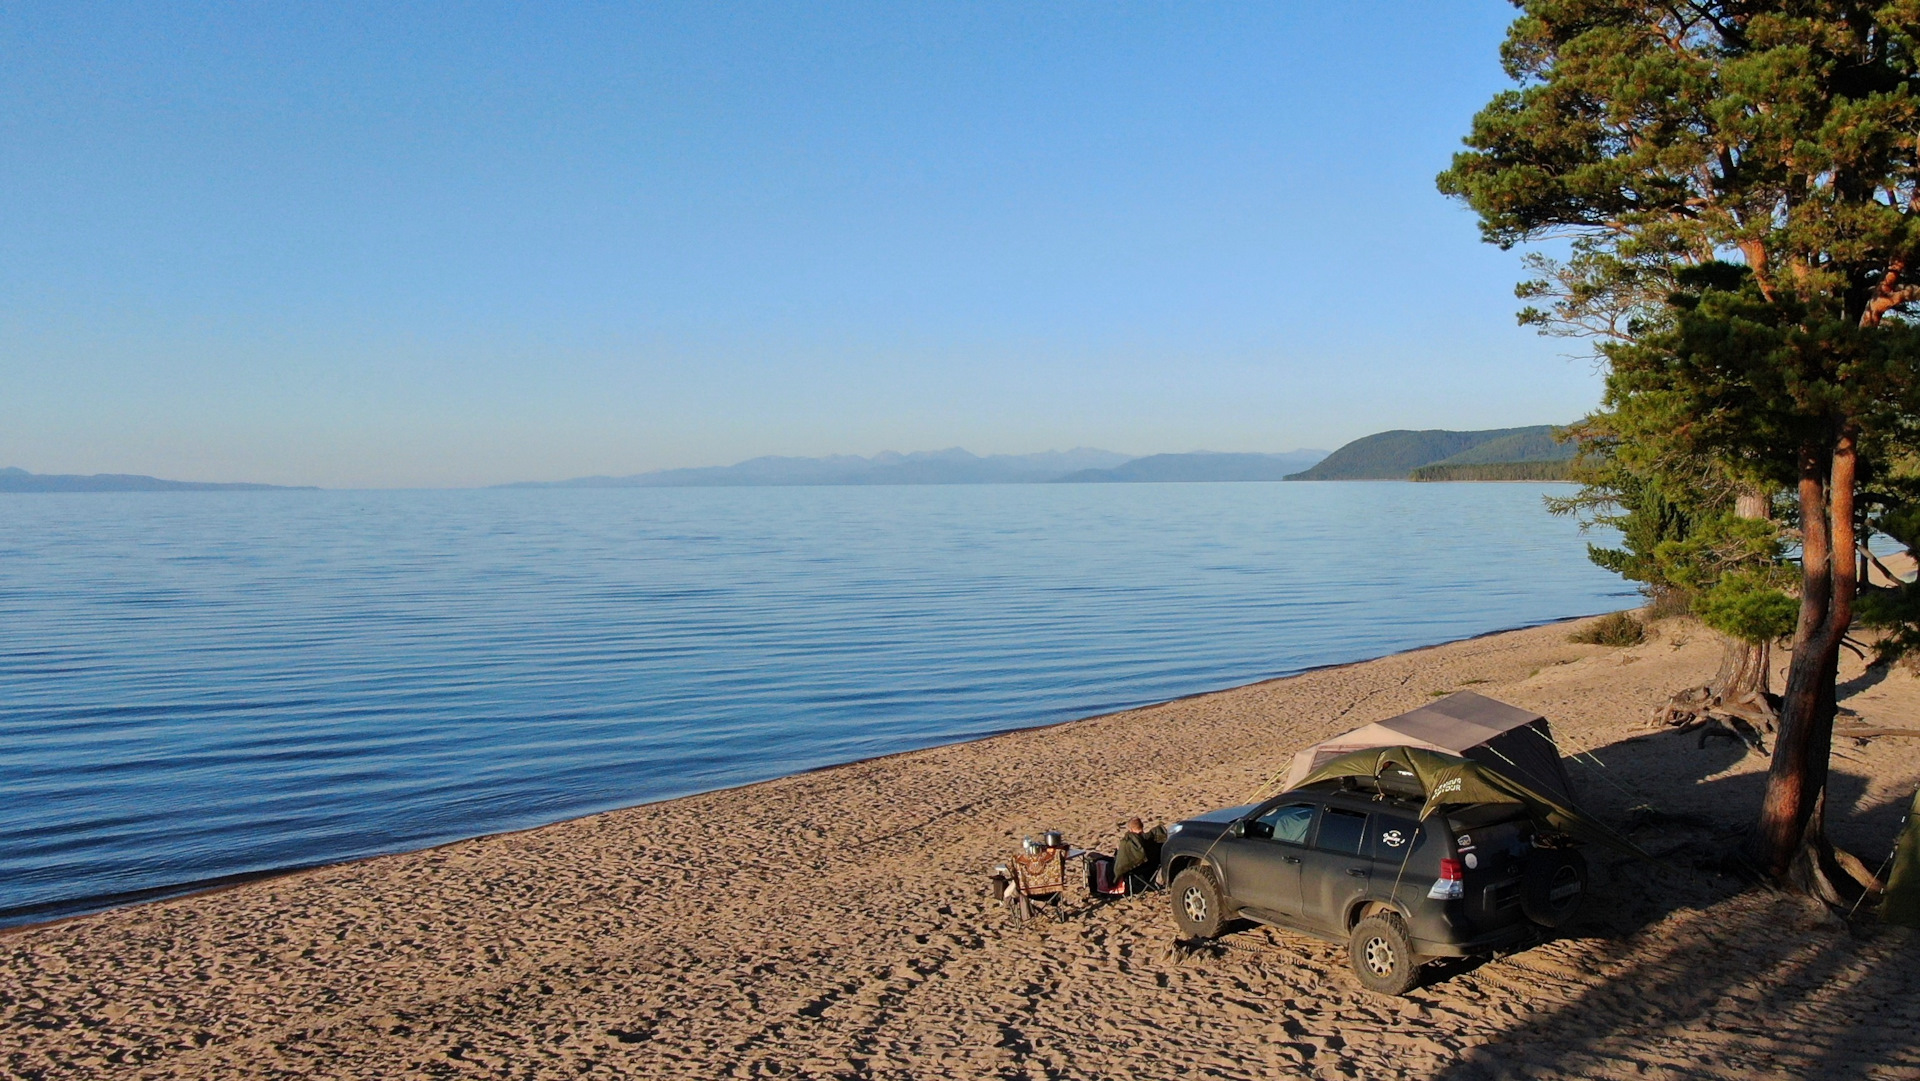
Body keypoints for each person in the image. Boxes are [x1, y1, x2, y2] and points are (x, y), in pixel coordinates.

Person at [1111, 818, 1167, 886]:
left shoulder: (1130, 842)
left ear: (1131, 829)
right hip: (1154, 865)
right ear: (1142, 826)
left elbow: (1122, 865)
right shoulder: (1153, 838)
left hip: (1138, 869)